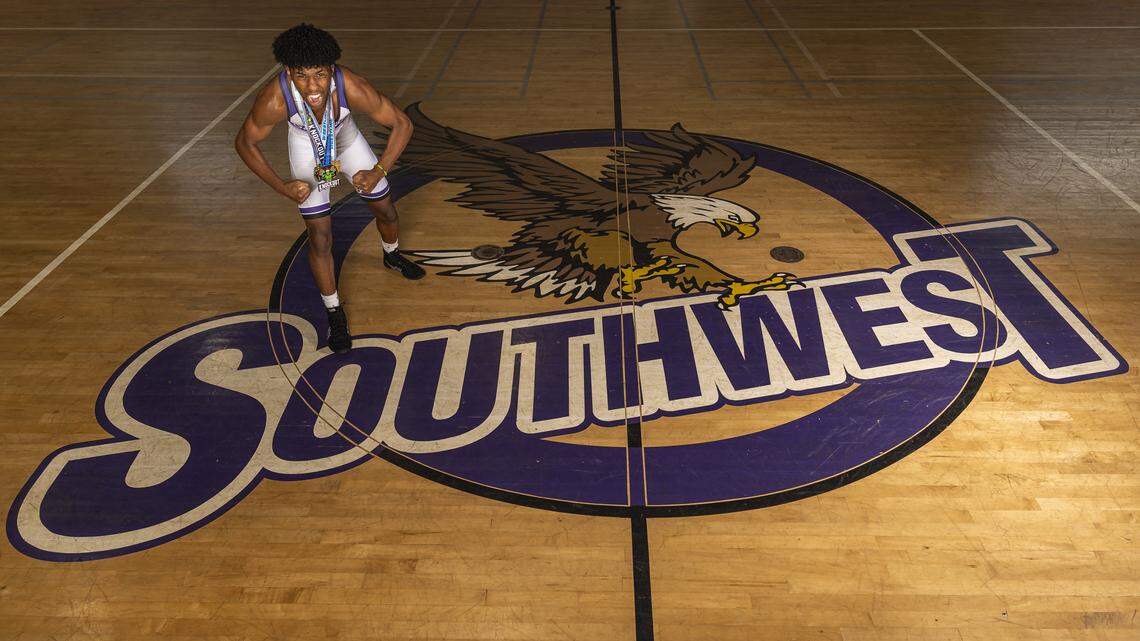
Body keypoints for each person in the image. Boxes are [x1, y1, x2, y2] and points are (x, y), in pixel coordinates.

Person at [235, 23, 424, 354]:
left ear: (332, 70)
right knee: (320, 236)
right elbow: (245, 143)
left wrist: (378, 169)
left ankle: (392, 256)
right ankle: (334, 311)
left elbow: (402, 124)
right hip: (306, 147)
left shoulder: (351, 85)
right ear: (289, 72)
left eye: (320, 75)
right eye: (301, 76)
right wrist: (282, 186)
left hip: (346, 139)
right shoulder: (275, 98)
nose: (312, 86)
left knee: (385, 209)